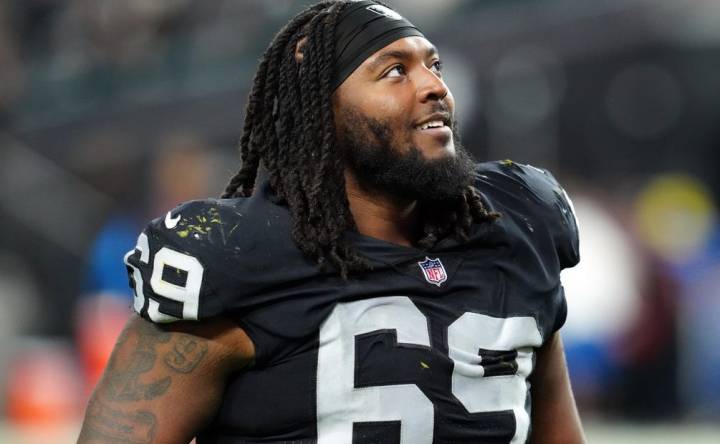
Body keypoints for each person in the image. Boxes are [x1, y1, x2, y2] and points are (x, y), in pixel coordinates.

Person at [77, 1, 584, 443]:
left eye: (434, 65)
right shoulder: (239, 262)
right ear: (324, 113)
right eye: (394, 71)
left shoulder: (516, 229)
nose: (434, 86)